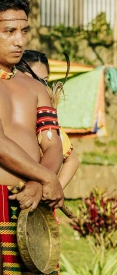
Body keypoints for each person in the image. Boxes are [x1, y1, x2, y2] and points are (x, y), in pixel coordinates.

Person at [0, 0, 65, 275]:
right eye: (8, 30)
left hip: (31, 205)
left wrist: (44, 182)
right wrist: (45, 178)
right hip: (7, 195)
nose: (19, 39)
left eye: (24, 29)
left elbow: (52, 142)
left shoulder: (37, 86)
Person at [16, 50, 80, 188]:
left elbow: (72, 160)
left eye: (44, 81)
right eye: (32, 80)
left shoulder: (46, 122)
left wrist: (53, 190)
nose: (40, 87)